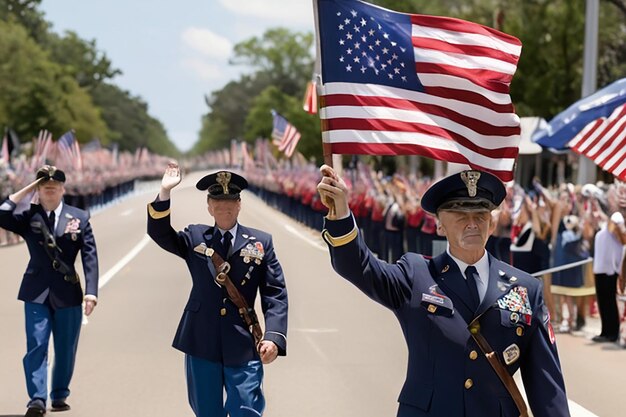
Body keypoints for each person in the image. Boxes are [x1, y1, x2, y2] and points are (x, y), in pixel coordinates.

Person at [317, 165, 570, 417]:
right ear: (439, 226)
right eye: (460, 215)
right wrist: (340, 214)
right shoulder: (416, 274)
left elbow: (547, 388)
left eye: (481, 214)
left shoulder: (525, 288)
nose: (472, 223)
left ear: (491, 224)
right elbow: (359, 267)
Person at [147, 163, 288, 417]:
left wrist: (274, 336)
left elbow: (274, 293)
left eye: (231, 200)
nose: (225, 206)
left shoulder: (260, 242)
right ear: (209, 206)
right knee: (207, 411)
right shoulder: (195, 236)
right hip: (202, 339)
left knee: (247, 409)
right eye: (218, 201)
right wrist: (165, 192)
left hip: (243, 340)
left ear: (239, 204)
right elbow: (159, 233)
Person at [0, 165, 99, 417]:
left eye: (54, 186)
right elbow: (1, 214)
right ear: (39, 190)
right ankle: (37, 399)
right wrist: (25, 190)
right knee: (36, 345)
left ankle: (59, 394)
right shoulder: (28, 216)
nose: (50, 189)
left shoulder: (80, 217)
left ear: (63, 189)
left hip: (68, 292)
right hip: (36, 292)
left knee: (66, 349)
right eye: (44, 186)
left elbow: (90, 257)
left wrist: (91, 291)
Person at [591, 211, 626, 343]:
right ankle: (605, 331)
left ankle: (613, 333)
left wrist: (607, 219)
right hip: (599, 269)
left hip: (610, 270)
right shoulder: (602, 227)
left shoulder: (616, 217)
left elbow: (617, 231)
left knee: (610, 303)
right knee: (602, 303)